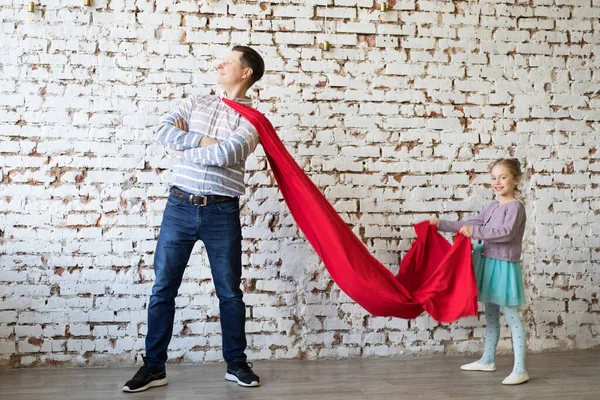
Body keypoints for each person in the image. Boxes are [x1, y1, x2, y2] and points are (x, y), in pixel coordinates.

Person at [123, 45, 265, 393]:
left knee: (229, 292)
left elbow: (225, 154)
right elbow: (163, 131)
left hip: (221, 211)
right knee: (162, 289)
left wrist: (188, 145)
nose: (219, 64)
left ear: (246, 73)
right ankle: (154, 368)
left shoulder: (252, 121)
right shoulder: (195, 102)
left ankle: (236, 364)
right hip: (179, 207)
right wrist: (202, 138)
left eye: (228, 62)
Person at [429, 158, 529, 385]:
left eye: (503, 177)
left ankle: (520, 368)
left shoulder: (515, 207)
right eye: (494, 177)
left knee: (512, 316)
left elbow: (505, 233)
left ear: (516, 180)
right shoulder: (493, 206)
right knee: (491, 315)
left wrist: (474, 231)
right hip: (489, 265)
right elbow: (472, 222)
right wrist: (441, 224)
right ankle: (487, 359)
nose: (497, 181)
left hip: (504, 267)